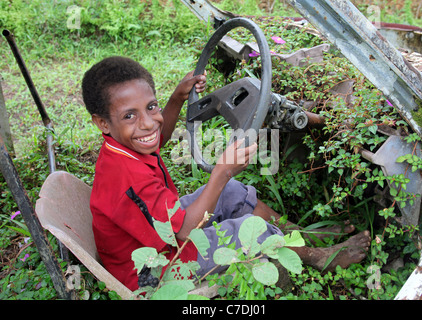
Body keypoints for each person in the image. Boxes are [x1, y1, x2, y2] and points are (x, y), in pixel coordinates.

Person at [81, 56, 371, 292]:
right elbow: (182, 232)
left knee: (233, 192)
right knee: (250, 230)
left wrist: (176, 99)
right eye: (130, 115)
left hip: (155, 232)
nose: (147, 123)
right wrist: (219, 172)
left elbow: (158, 138)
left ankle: (305, 235)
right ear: (102, 123)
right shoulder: (127, 178)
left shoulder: (126, 145)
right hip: (149, 268)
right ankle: (320, 258)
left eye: (151, 106)